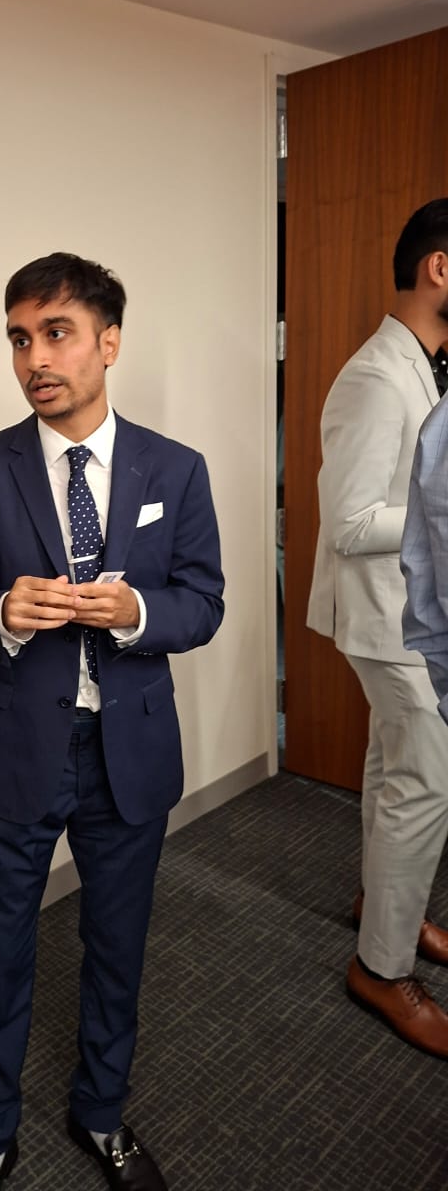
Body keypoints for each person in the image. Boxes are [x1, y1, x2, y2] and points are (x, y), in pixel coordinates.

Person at [0, 252, 224, 1191]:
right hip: (20, 750)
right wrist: (0, 614)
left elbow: (204, 601)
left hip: (128, 750)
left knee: (117, 948)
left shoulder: (175, 469)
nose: (35, 359)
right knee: (1, 952)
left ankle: (101, 1112)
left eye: (56, 334)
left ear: (109, 343)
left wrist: (137, 613)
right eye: (20, 339)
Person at [308, 197, 448, 1058]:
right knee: (426, 783)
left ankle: (381, 904)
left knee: (391, 765)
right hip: (388, 619)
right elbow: (351, 520)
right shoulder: (374, 376)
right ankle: (381, 967)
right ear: (441, 267)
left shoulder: (425, 364)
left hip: (415, 612)